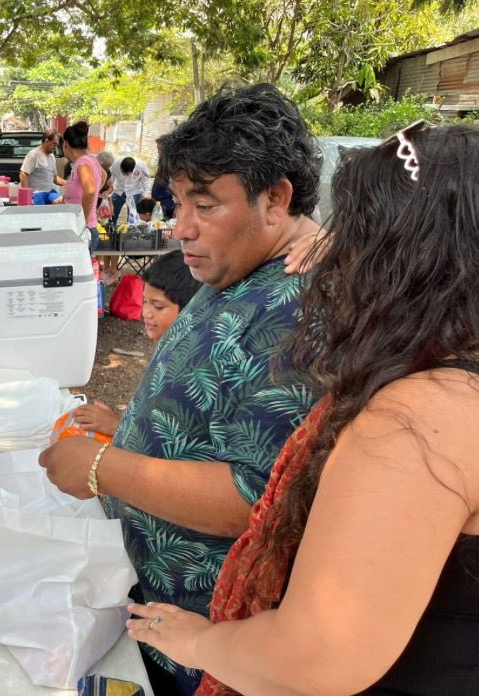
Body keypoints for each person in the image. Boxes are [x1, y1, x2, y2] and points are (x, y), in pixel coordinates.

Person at [128, 124, 479, 695]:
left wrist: (194, 641)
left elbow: (313, 654)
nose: (335, 258)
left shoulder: (419, 421)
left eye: (356, 232)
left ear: (407, 254)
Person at [39, 83, 322, 695]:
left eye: (205, 204)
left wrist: (101, 469)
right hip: (150, 601)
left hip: (202, 636)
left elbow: (253, 498)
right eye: (177, 201)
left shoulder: (303, 311)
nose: (181, 226)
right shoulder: (244, 265)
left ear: (275, 199)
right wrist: (130, 429)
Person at [73, 251, 201, 437]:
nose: (146, 313)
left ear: (191, 310)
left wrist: (116, 427)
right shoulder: (170, 347)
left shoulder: (187, 367)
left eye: (158, 306)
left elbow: (170, 440)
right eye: (145, 301)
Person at [60, 121, 104, 250]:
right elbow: (104, 177)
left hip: (82, 230)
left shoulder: (82, 163)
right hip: (84, 228)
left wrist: (82, 220)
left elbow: (90, 190)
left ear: (66, 144)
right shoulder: (91, 160)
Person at [20, 129, 66, 204]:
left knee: (64, 201)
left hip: (50, 192)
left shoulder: (52, 156)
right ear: (46, 141)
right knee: (41, 213)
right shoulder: (34, 154)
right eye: (54, 144)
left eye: (57, 145)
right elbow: (23, 174)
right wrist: (26, 197)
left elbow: (54, 178)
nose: (55, 147)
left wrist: (69, 183)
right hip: (37, 193)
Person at [110, 156, 152, 224]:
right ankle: (111, 229)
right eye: (123, 172)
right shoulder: (116, 163)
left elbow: (146, 182)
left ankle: (130, 231)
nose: (125, 175)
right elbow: (110, 180)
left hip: (134, 191)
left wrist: (143, 198)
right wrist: (109, 195)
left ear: (132, 170)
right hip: (119, 190)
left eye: (127, 174)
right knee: (112, 214)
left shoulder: (141, 166)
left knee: (133, 217)